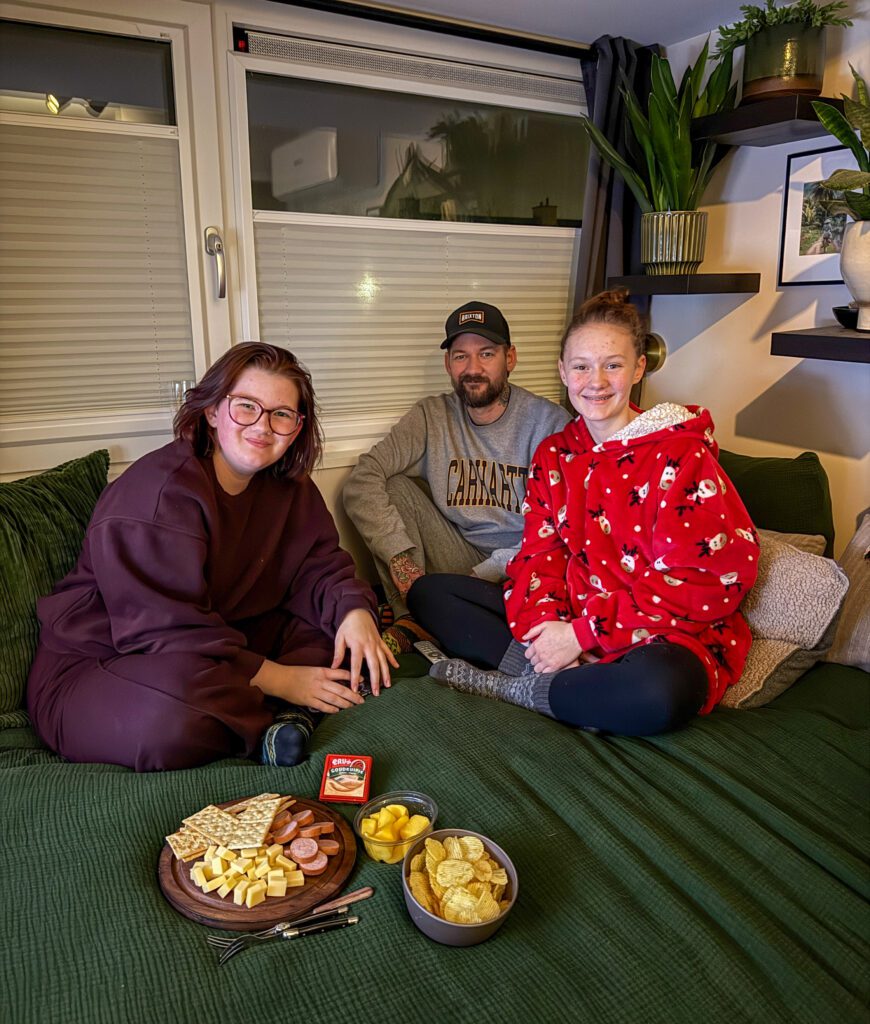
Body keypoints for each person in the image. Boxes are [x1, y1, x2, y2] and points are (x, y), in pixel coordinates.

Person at [26, 342, 397, 772]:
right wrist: (281, 678)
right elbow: (163, 630)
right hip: (112, 663)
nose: (263, 426)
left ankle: (284, 711)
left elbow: (322, 565)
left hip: (225, 640)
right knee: (169, 720)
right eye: (246, 406)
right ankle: (287, 709)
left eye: (281, 414)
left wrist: (355, 613)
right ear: (212, 411)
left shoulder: (289, 485)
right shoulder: (158, 494)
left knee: (337, 631)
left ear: (297, 427)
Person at [407, 290, 759, 736]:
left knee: (660, 692)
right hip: (570, 617)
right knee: (430, 594)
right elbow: (539, 556)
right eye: (581, 367)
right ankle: (564, 682)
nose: (596, 382)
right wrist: (549, 630)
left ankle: (521, 689)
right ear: (563, 371)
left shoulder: (680, 454)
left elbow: (707, 577)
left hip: (656, 635)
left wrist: (583, 635)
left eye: (612, 365)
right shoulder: (554, 454)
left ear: (638, 368)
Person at [342, 300, 571, 655]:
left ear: (510, 358)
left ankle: (437, 618)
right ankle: (411, 616)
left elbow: (558, 527)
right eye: (461, 356)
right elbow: (363, 479)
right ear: (448, 364)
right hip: (457, 553)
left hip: (523, 565)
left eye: (487, 354)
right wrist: (403, 565)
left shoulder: (549, 423)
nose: (473, 368)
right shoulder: (431, 415)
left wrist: (484, 573)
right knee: (393, 486)